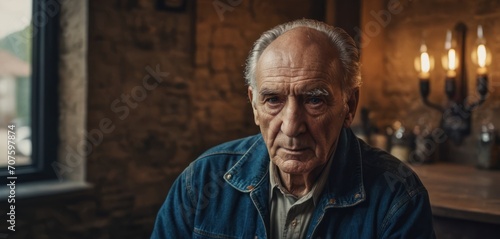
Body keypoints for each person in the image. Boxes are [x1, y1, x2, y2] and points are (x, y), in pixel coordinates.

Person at [151, 19, 435, 239]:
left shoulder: (397, 197)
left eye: (314, 100)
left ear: (349, 105)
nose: (291, 126)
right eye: (273, 100)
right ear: (254, 106)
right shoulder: (201, 181)